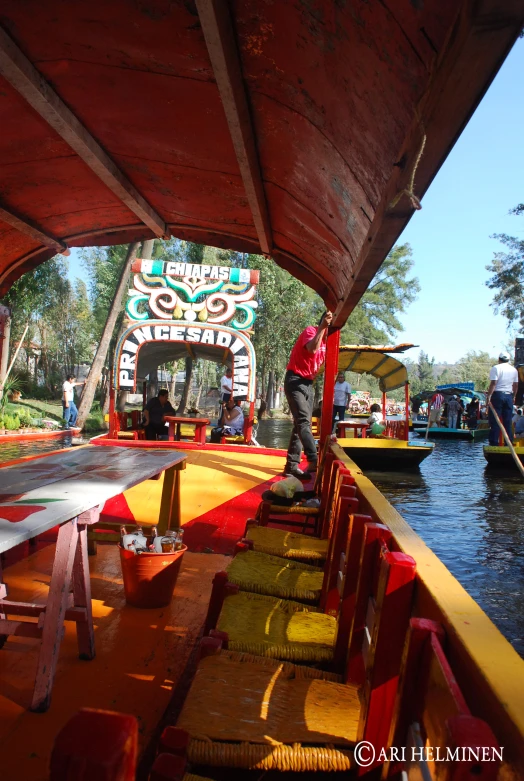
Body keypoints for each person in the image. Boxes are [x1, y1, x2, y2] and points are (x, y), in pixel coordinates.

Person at [284, 310, 332, 479]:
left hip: (308, 384)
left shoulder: (328, 343)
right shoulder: (311, 331)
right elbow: (312, 349)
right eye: (329, 325)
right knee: (304, 421)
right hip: (295, 379)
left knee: (300, 425)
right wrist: (322, 328)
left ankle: (291, 466)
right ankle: (314, 459)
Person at [487, 352, 519, 446]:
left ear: (499, 359)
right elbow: (516, 385)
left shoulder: (496, 368)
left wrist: (489, 396)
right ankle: (508, 442)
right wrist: (514, 396)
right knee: (508, 420)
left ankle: (493, 442)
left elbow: (493, 383)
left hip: (497, 395)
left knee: (495, 421)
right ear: (508, 360)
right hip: (508, 395)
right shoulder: (514, 370)